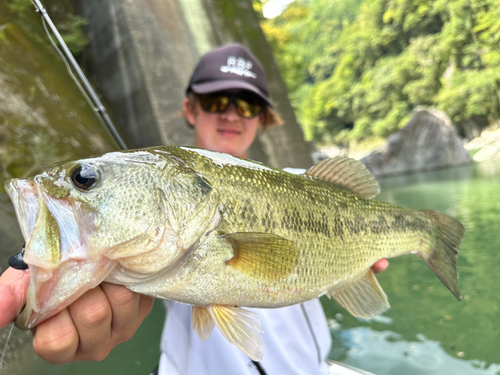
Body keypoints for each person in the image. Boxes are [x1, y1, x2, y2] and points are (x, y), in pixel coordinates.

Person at [0, 44, 388, 373]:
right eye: (216, 100)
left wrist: (358, 257)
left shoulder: (309, 184)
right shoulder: (154, 217)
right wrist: (35, 262)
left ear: (265, 118)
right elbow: (105, 234)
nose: (231, 113)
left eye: (248, 104)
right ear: (190, 109)